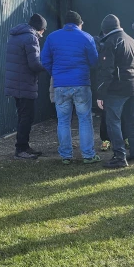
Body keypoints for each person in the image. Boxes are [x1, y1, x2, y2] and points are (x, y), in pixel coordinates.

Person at [40, 10, 100, 164]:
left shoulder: (52, 37)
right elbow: (94, 61)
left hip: (60, 85)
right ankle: (88, 155)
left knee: (63, 121)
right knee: (85, 119)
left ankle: (66, 156)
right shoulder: (86, 37)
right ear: (79, 23)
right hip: (81, 83)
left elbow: (44, 59)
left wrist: (56, 73)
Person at [95, 14, 134, 169]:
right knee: (132, 120)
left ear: (105, 29)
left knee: (113, 122)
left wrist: (101, 94)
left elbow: (107, 71)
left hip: (117, 88)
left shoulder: (110, 42)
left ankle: (119, 156)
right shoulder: (130, 39)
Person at [4, 12, 47, 159]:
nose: (43, 33)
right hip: (24, 83)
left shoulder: (15, 36)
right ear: (40, 28)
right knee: (26, 117)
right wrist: (48, 67)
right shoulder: (31, 38)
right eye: (43, 30)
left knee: (23, 115)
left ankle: (24, 146)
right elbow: (34, 64)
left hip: (16, 82)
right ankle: (21, 149)